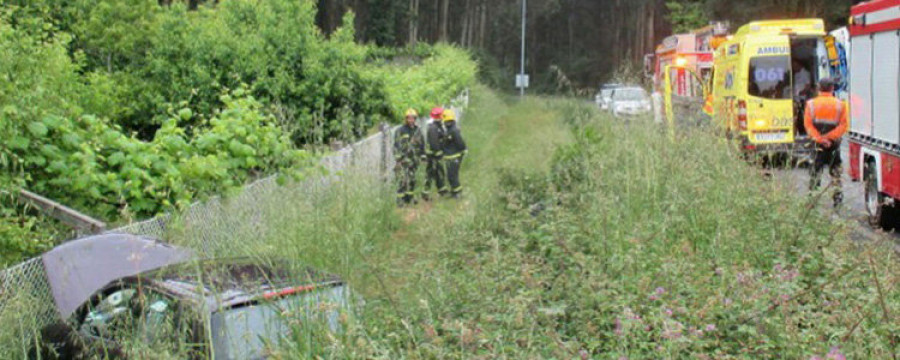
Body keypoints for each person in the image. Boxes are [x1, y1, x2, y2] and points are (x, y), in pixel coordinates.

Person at [804, 78, 849, 207]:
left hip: (818, 145)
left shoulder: (811, 104)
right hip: (834, 145)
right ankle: (837, 200)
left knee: (815, 173)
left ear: (819, 88)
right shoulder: (841, 105)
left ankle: (812, 201)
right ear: (832, 88)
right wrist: (830, 138)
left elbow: (808, 126)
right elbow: (843, 126)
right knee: (835, 174)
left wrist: (821, 139)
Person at [394, 108, 425, 206]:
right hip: (403, 160)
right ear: (406, 119)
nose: (411, 120)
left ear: (415, 119)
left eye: (413, 118)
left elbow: (422, 144)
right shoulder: (400, 131)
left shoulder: (418, 130)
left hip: (414, 160)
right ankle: (400, 200)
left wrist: (423, 155)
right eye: (409, 118)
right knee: (402, 180)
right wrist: (398, 159)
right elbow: (396, 145)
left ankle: (409, 198)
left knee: (412, 179)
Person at [423, 107, 448, 200]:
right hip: (433, 156)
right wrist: (439, 153)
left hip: (436, 155)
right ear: (439, 116)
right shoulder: (433, 128)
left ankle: (442, 190)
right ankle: (425, 193)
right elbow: (434, 143)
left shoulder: (438, 126)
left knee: (439, 173)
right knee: (430, 174)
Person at [441, 109, 467, 199]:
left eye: (447, 122)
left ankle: (457, 193)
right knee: (450, 175)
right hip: (449, 157)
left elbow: (461, 144)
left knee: (452, 175)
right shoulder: (449, 130)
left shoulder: (453, 131)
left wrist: (462, 152)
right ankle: (454, 192)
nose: (445, 123)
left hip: (454, 157)